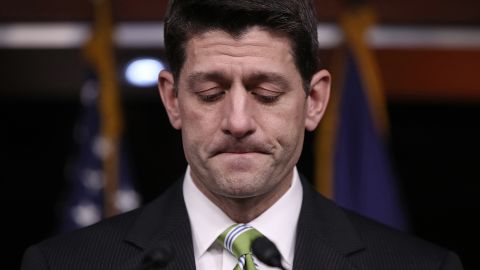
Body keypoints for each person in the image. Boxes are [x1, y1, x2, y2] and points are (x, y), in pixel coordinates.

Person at [21, 0, 463, 269]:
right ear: (172, 100)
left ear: (314, 101)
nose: (237, 121)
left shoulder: (419, 267)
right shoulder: (62, 265)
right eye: (210, 93)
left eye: (266, 93)